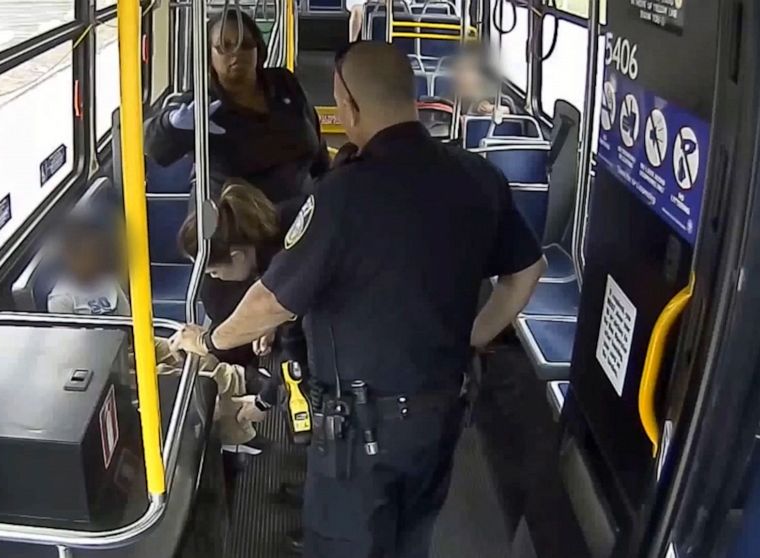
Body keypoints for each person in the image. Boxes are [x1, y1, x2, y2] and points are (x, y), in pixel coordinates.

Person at [170, 41, 546, 557]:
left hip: (360, 430)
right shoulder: (479, 176)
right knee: (411, 538)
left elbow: (271, 303)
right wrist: (474, 335)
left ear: (346, 105)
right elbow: (527, 270)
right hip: (444, 410)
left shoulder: (341, 196)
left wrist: (210, 340)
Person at [46, 208, 259, 452]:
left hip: (128, 343)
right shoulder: (62, 299)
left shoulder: (104, 280)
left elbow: (128, 319)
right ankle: (238, 416)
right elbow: (74, 356)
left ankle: (239, 409)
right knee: (175, 377)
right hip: (103, 367)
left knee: (197, 357)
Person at [145, 8, 329, 205]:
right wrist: (170, 125)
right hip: (235, 221)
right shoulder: (201, 103)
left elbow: (316, 145)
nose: (236, 53)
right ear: (209, 55)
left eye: (246, 44)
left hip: (300, 210)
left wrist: (327, 185)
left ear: (258, 49)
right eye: (224, 46)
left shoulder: (284, 83)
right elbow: (156, 149)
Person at [178, 179, 309, 421]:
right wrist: (269, 321)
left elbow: (299, 350)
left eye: (214, 273)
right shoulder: (282, 223)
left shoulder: (285, 266)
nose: (216, 279)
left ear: (237, 257)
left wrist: (262, 403)